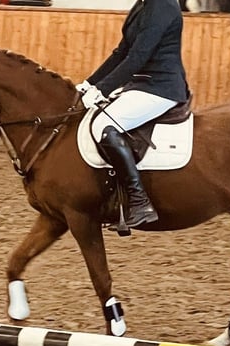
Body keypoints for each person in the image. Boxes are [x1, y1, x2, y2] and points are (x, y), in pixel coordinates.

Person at [76, 0, 190, 228]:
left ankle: (140, 202)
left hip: (161, 87)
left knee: (104, 126)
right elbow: (122, 52)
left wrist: (102, 89)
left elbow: (138, 57)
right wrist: (90, 84)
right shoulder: (143, 5)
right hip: (141, 85)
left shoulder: (162, 6)